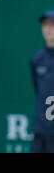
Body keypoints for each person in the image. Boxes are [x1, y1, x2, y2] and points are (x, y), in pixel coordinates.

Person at [31, 9, 54, 153]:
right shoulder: (36, 59)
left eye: (52, 25)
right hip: (41, 130)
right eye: (45, 25)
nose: (48, 29)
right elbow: (38, 90)